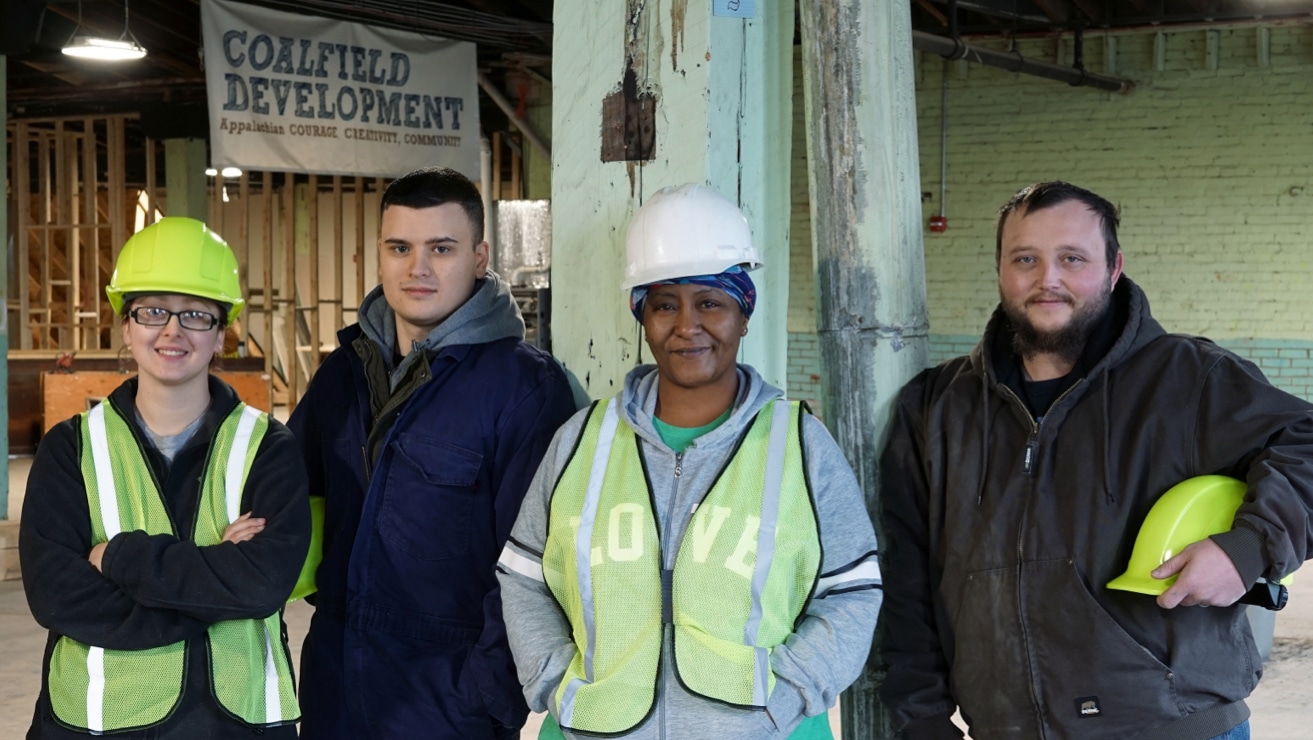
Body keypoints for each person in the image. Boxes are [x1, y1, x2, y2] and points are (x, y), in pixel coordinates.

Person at [878, 181, 1313, 740]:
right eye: (1025, 259)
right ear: (1000, 270)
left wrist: (1248, 549)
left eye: (1072, 259)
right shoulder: (937, 406)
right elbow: (907, 577)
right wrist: (925, 720)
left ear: (1113, 269)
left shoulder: (1187, 378)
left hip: (1175, 729)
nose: (1047, 279)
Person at [497, 183, 882, 739]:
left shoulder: (800, 444)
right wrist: (556, 686)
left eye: (710, 302)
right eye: (664, 304)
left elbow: (851, 590)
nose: (686, 325)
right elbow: (524, 576)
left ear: (743, 314)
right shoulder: (582, 441)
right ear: (643, 316)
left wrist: (787, 695)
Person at [290, 166, 577, 738]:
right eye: (400, 247)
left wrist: (487, 695)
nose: (417, 268)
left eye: (441, 248)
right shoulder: (343, 372)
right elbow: (294, 491)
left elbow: (542, 559)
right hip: (334, 685)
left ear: (479, 256)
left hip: (449, 703)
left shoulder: (525, 389)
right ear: (379, 255)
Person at [20, 217, 310, 738]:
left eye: (196, 315)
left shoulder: (267, 448)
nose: (172, 331)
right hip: (98, 726)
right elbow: (57, 596)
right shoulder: (71, 449)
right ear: (126, 325)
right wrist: (213, 591)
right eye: (153, 311)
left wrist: (116, 557)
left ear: (221, 333)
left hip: (236, 725)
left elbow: (262, 586)